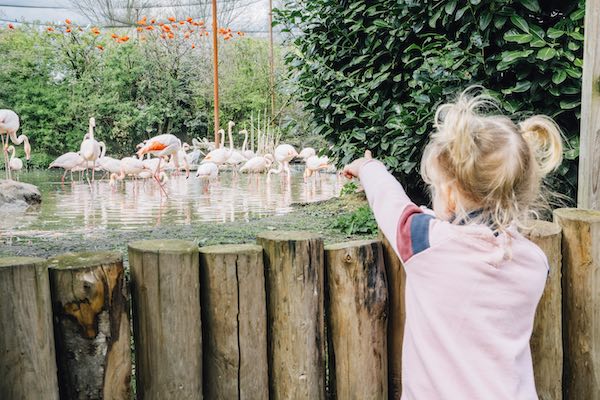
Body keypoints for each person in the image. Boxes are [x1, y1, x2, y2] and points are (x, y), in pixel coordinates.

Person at [343, 88, 563, 399]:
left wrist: (368, 168)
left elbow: (390, 200)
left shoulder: (423, 241)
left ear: (449, 194)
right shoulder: (535, 263)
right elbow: (487, 235)